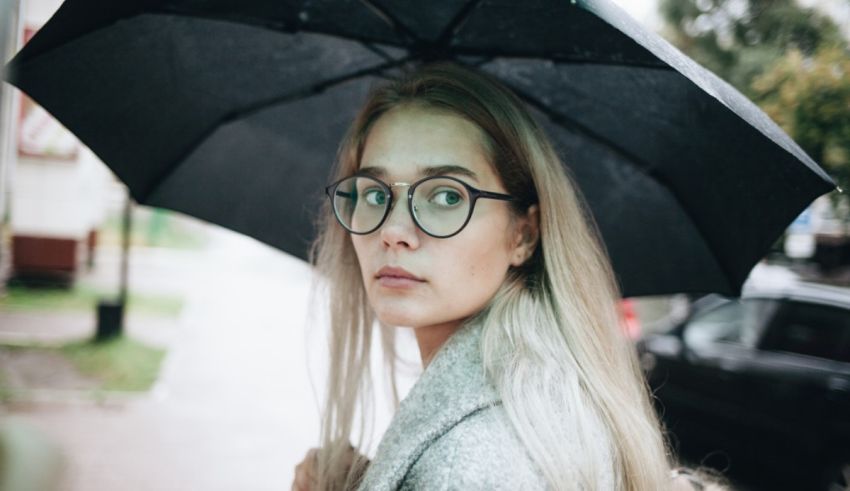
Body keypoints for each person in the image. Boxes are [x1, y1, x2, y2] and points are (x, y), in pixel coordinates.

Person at [292, 61, 730, 490]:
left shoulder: (466, 463)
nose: (392, 231)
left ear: (524, 232)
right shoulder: (544, 400)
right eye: (373, 192)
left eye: (446, 196)